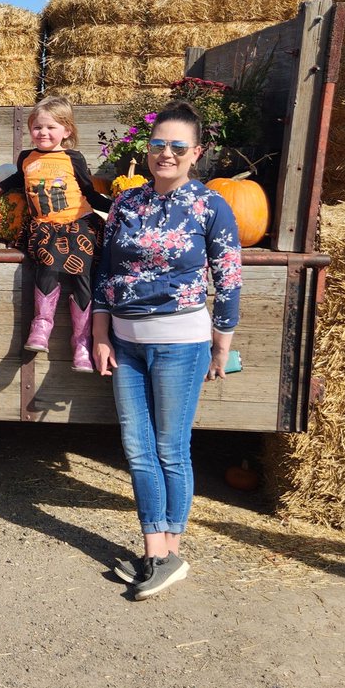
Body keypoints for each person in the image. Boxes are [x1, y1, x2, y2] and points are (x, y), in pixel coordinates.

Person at [92, 99, 243, 600]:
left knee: (170, 449)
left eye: (178, 146)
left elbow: (228, 276)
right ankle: (155, 551)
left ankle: (168, 552)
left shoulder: (210, 205)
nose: (166, 154)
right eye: (159, 144)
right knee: (137, 450)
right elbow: (104, 271)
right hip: (127, 345)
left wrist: (222, 341)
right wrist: (98, 332)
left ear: (195, 152)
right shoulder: (126, 203)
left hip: (182, 343)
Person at [0, 96, 109, 371]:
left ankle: (81, 342)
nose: (43, 133)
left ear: (66, 131)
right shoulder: (26, 158)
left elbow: (88, 192)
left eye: (50, 128)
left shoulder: (72, 158)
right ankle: (41, 325)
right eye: (37, 127)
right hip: (44, 226)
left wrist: (114, 206)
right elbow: (18, 178)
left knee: (83, 273)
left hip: (78, 222)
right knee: (46, 262)